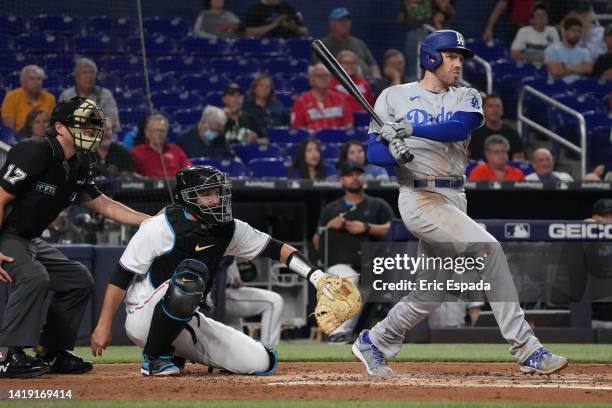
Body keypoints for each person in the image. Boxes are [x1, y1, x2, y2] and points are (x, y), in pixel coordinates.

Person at [355, 30, 566, 376]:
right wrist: (389, 147)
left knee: (431, 291)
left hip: (454, 196)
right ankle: (527, 347)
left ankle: (375, 340)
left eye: (460, 57)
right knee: (489, 249)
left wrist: (408, 130)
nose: (458, 63)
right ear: (431, 58)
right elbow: (373, 152)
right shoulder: (393, 97)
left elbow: (458, 128)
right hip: (419, 196)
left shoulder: (466, 95)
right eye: (451, 56)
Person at [90, 165, 357, 376]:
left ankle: (175, 352)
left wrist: (317, 276)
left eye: (217, 192)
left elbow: (277, 249)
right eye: (206, 194)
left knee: (261, 361)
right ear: (188, 198)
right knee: (190, 276)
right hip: (142, 317)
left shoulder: (229, 229)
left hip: (184, 318)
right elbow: (121, 275)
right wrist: (103, 326)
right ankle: (155, 358)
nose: (215, 198)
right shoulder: (159, 226)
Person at [0, 97, 150, 379]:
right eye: (84, 124)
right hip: (6, 233)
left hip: (30, 238)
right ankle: (8, 355)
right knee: (34, 277)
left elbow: (103, 204)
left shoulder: (80, 162)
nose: (92, 130)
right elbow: (0, 197)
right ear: (60, 127)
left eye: (95, 124)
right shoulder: (33, 150)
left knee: (77, 279)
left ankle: (52, 351)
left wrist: (152, 221)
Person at [312, 161, 394, 343]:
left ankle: (344, 334)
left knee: (362, 299)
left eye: (358, 174)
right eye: (350, 175)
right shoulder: (332, 208)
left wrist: (366, 227)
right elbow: (317, 241)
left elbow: (392, 229)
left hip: (370, 264)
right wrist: (328, 226)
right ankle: (338, 333)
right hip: (337, 263)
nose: (354, 178)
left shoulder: (377, 205)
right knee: (349, 278)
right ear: (342, 180)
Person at [223, 257, 284, 345]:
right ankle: (269, 351)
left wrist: (236, 276)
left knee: (236, 342)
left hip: (220, 292)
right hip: (219, 294)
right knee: (274, 301)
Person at [319, 7, 381, 79]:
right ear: (332, 24)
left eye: (347, 20)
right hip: (337, 85)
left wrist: (376, 79)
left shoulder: (359, 43)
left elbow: (372, 65)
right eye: (341, 20)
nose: (345, 24)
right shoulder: (323, 45)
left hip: (364, 83)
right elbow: (318, 68)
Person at [291, 64, 353, 132]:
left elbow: (349, 123)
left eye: (326, 75)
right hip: (312, 140)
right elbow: (298, 127)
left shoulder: (341, 99)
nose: (323, 78)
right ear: (311, 80)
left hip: (338, 140)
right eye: (319, 76)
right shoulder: (301, 102)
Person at [59, 58, 120, 128]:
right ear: (77, 77)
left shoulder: (106, 94)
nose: (89, 76)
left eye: (92, 72)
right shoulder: (66, 95)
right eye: (84, 72)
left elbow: (114, 118)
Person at [131, 113, 192, 179]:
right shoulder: (137, 152)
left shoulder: (176, 150)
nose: (159, 134)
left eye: (162, 131)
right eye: (156, 130)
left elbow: (189, 170)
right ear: (147, 132)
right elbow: (132, 176)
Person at [468, 94, 525, 161]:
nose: (494, 110)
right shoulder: (474, 134)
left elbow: (519, 160)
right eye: (490, 106)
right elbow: (464, 158)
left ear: (502, 110)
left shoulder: (513, 133)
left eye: (497, 106)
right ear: (483, 110)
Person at [1, 65, 55, 132]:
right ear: (23, 82)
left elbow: (51, 125)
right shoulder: (11, 97)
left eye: (39, 79)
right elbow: (9, 129)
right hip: (19, 138)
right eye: (32, 79)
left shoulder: (50, 98)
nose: (37, 82)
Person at [545, 17, 593, 84]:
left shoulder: (585, 52)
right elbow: (556, 71)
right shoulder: (552, 50)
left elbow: (588, 69)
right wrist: (580, 68)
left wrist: (565, 66)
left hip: (579, 87)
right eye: (573, 31)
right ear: (564, 31)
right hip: (557, 87)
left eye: (579, 31)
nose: (577, 34)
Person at [330, 50, 375, 116]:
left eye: (353, 63)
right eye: (346, 63)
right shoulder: (331, 83)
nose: (350, 65)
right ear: (338, 64)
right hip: (340, 120)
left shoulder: (364, 84)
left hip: (360, 120)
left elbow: (371, 107)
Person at [244, 0, 309, 38]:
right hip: (264, 48)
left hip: (289, 47)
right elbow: (250, 34)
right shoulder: (255, 10)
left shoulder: (287, 8)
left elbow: (305, 33)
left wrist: (293, 27)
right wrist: (275, 24)